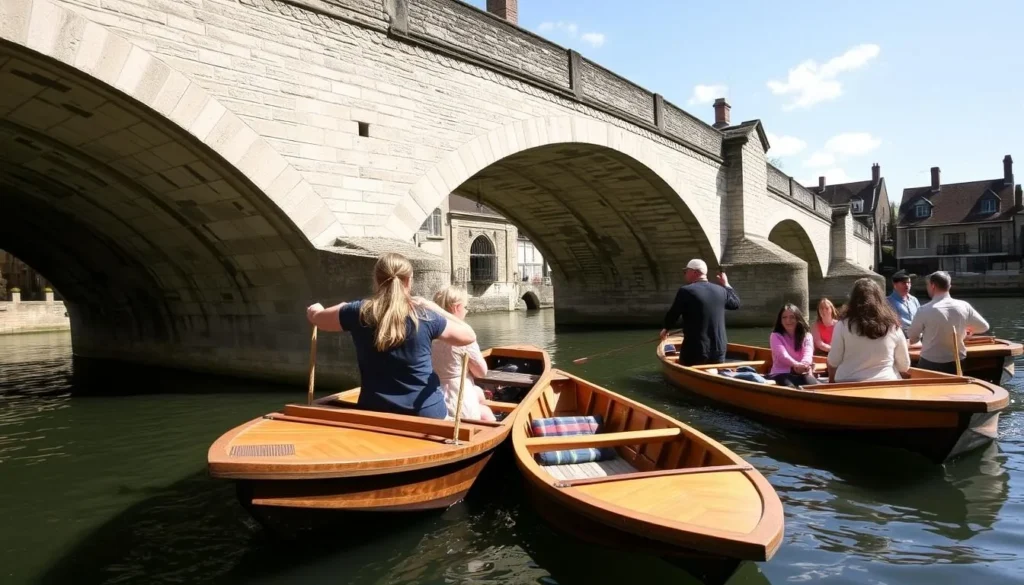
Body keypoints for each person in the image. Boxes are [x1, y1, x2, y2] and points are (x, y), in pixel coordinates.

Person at [306, 253, 477, 419]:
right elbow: (469, 335)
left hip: (374, 410)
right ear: (409, 281)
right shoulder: (426, 316)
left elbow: (318, 319)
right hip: (425, 413)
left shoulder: (357, 311)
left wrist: (317, 310)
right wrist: (434, 307)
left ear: (376, 280)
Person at [430, 286, 496, 422]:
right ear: (456, 308)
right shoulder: (464, 336)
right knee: (487, 412)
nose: (466, 311)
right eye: (465, 307)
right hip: (459, 400)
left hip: (433, 398)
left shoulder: (428, 333)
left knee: (479, 393)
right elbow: (481, 372)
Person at [827, 278, 911, 383]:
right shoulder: (893, 326)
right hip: (887, 382)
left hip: (848, 383)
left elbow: (834, 360)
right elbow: (904, 366)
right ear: (880, 298)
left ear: (853, 299)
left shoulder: (842, 325)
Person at [660, 259, 741, 366]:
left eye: (686, 271)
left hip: (696, 350)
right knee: (714, 370)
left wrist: (666, 329)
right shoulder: (721, 290)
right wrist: (726, 284)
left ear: (694, 272)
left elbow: (674, 314)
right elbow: (735, 304)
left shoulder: (686, 291)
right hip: (719, 349)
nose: (685, 274)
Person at [907, 271, 990, 374]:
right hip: (957, 361)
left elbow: (913, 338)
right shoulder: (964, 306)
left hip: (930, 362)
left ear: (932, 286)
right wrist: (966, 331)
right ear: (949, 286)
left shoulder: (923, 310)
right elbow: (984, 327)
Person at [768, 304, 819, 388]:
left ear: (797, 318)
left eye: (792, 317)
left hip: (803, 372)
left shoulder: (807, 335)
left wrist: (804, 365)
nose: (788, 320)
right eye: (784, 317)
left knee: (814, 386)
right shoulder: (775, 336)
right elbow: (782, 355)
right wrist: (796, 365)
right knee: (790, 387)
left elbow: (808, 353)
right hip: (781, 373)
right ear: (780, 320)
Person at [886, 270, 920, 336]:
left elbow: (920, 317)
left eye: (909, 283)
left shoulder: (914, 300)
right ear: (895, 285)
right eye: (903, 283)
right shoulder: (888, 302)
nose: (907, 285)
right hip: (900, 336)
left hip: (917, 335)